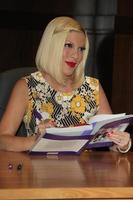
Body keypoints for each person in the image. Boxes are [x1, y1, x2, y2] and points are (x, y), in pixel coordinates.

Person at [0, 16, 131, 152]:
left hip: (84, 171)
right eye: (68, 45)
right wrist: (36, 140)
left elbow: (110, 141)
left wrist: (122, 144)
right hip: (39, 170)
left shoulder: (93, 87)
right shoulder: (27, 86)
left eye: (81, 49)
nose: (76, 55)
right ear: (51, 45)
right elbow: (2, 140)